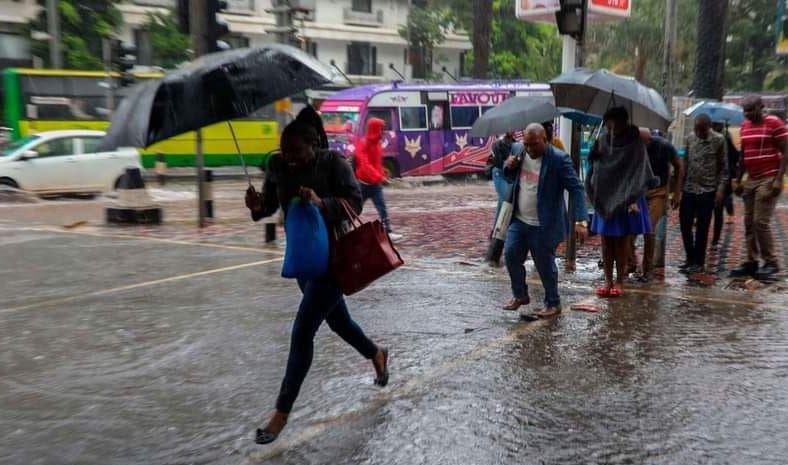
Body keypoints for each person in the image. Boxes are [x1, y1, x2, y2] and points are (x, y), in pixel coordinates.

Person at [245, 116, 389, 445]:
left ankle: (280, 414)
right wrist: (256, 206)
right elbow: (268, 205)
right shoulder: (278, 166)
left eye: (296, 151)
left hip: (335, 259)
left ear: (314, 145)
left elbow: (354, 201)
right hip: (304, 257)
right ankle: (376, 353)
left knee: (302, 330)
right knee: (338, 322)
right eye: (284, 151)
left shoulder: (333, 163)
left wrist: (321, 202)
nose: (290, 157)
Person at [502, 123, 588, 318]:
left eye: (534, 144)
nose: (530, 149)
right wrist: (508, 166)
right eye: (527, 144)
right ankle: (520, 295)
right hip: (520, 219)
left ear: (545, 140)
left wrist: (581, 220)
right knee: (510, 254)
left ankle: (553, 302)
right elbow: (508, 176)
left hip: (544, 224)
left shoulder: (558, 159)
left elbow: (576, 189)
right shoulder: (518, 151)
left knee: (544, 265)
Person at [587, 107, 656, 297]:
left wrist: (632, 197)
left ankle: (620, 280)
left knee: (621, 241)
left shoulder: (635, 143)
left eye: (614, 124)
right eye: (608, 125)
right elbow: (596, 168)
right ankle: (608, 280)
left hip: (627, 199)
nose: (611, 128)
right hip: (605, 196)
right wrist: (594, 155)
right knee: (606, 241)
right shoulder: (602, 141)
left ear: (623, 123)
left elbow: (639, 170)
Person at [729, 96, 787, 278]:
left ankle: (771, 262)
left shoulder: (774, 123)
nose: (747, 114)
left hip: (768, 178)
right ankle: (751, 261)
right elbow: (743, 155)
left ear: (761, 107)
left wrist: (779, 179)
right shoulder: (745, 126)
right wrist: (738, 180)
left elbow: (786, 151)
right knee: (748, 223)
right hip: (751, 179)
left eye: (750, 110)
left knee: (760, 222)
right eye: (745, 111)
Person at [628, 128, 684, 281]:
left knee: (649, 229)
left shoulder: (664, 147)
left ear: (649, 140)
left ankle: (648, 269)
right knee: (629, 229)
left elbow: (679, 166)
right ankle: (631, 262)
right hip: (639, 191)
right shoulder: (633, 148)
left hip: (658, 191)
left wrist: (677, 192)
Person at [680, 114, 728, 274]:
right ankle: (690, 258)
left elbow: (724, 168)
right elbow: (684, 163)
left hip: (707, 190)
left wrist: (720, 190)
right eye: (696, 129)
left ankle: (699, 262)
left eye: (702, 129)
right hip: (689, 188)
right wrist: (678, 189)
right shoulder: (689, 138)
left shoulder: (719, 140)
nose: (699, 132)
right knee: (685, 225)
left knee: (702, 227)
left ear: (709, 127)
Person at [354, 117, 402, 241]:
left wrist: (383, 172)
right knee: (355, 208)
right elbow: (365, 165)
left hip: (375, 185)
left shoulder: (378, 144)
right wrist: (380, 177)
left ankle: (388, 231)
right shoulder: (363, 143)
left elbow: (376, 163)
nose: (383, 132)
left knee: (382, 208)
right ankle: (346, 227)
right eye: (381, 129)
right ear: (374, 129)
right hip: (362, 184)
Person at [711, 121, 740, 247]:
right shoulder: (712, 137)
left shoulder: (725, 137)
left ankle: (716, 239)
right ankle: (714, 239)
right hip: (710, 178)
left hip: (724, 178)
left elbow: (734, 156)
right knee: (714, 208)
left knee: (719, 207)